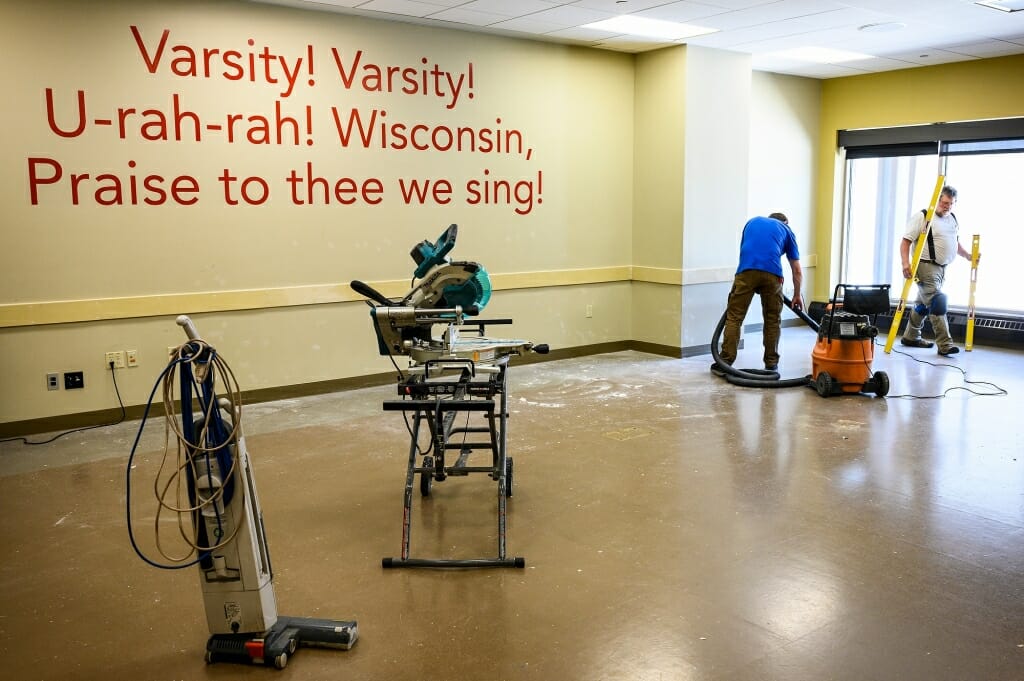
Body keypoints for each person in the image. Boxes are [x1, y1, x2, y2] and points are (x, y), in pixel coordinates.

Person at [719, 213, 803, 372]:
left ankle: (725, 362)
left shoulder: (752, 222)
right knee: (772, 319)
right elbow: (797, 270)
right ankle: (771, 363)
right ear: (785, 222)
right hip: (773, 274)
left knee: (734, 317)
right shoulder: (787, 230)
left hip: (746, 271)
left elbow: (746, 250)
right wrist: (797, 295)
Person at [899, 185, 974, 356]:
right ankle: (945, 344)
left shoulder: (952, 218)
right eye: (944, 202)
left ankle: (911, 336)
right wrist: (905, 264)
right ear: (938, 199)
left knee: (923, 305)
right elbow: (905, 241)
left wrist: (967, 256)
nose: (946, 206)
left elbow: (955, 243)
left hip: (942, 269)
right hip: (925, 266)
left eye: (951, 204)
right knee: (937, 302)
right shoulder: (924, 216)